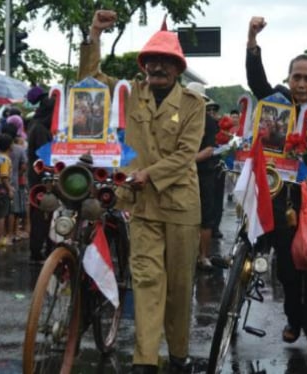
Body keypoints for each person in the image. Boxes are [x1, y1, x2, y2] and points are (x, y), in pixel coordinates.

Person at [79, 10, 204, 373]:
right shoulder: (129, 93)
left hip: (180, 206)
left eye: (165, 61)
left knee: (179, 289)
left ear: (178, 68)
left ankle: (178, 355)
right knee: (148, 280)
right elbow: (90, 83)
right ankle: (145, 361)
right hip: (142, 206)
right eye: (151, 60)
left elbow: (184, 156)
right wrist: (95, 35)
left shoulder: (193, 106)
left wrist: (147, 174)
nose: (156, 67)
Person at [246, 16, 307, 357]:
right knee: (286, 267)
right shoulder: (278, 102)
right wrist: (252, 40)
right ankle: (293, 320)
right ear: (288, 80)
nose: (301, 84)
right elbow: (257, 82)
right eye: (296, 77)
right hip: (280, 198)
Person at [187, 82, 219, 270]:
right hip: (179, 174)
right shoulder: (176, 117)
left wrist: (185, 161)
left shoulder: (209, 122)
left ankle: (203, 256)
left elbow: (209, 150)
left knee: (206, 217)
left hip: (203, 174)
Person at [26, 89, 54, 264]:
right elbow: (45, 154)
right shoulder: (40, 128)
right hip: (41, 177)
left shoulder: (36, 124)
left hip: (39, 175)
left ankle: (41, 248)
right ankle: (37, 251)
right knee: (41, 215)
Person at [0, 134, 14, 248]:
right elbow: (4, 176)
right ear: (10, 145)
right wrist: (9, 189)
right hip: (2, 190)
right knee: (1, 215)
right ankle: (0, 238)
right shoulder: (5, 159)